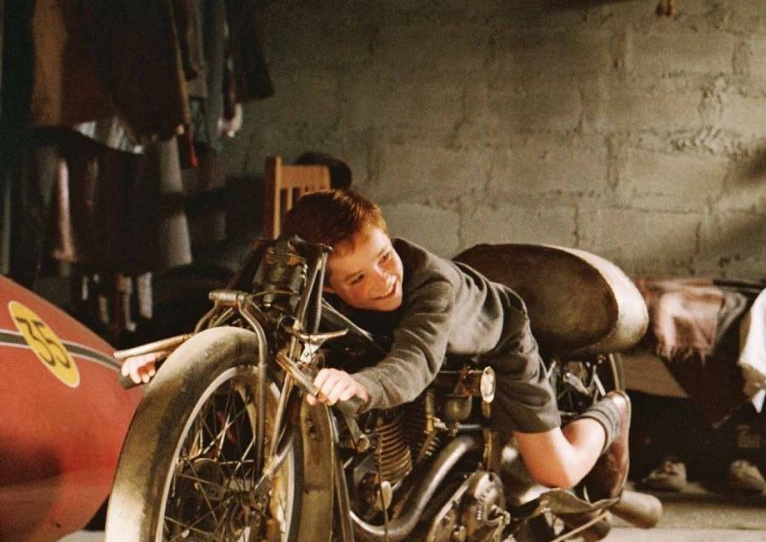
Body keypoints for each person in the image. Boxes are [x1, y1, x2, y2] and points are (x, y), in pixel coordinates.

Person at [122, 188, 630, 501]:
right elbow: (244, 319)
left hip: (498, 337)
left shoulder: (432, 284)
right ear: (324, 286)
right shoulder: (311, 284)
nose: (384, 281)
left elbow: (415, 360)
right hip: (401, 340)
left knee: (556, 470)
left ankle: (614, 411)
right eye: (357, 279)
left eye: (385, 257)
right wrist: (174, 356)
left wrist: (363, 385)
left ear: (388, 237)